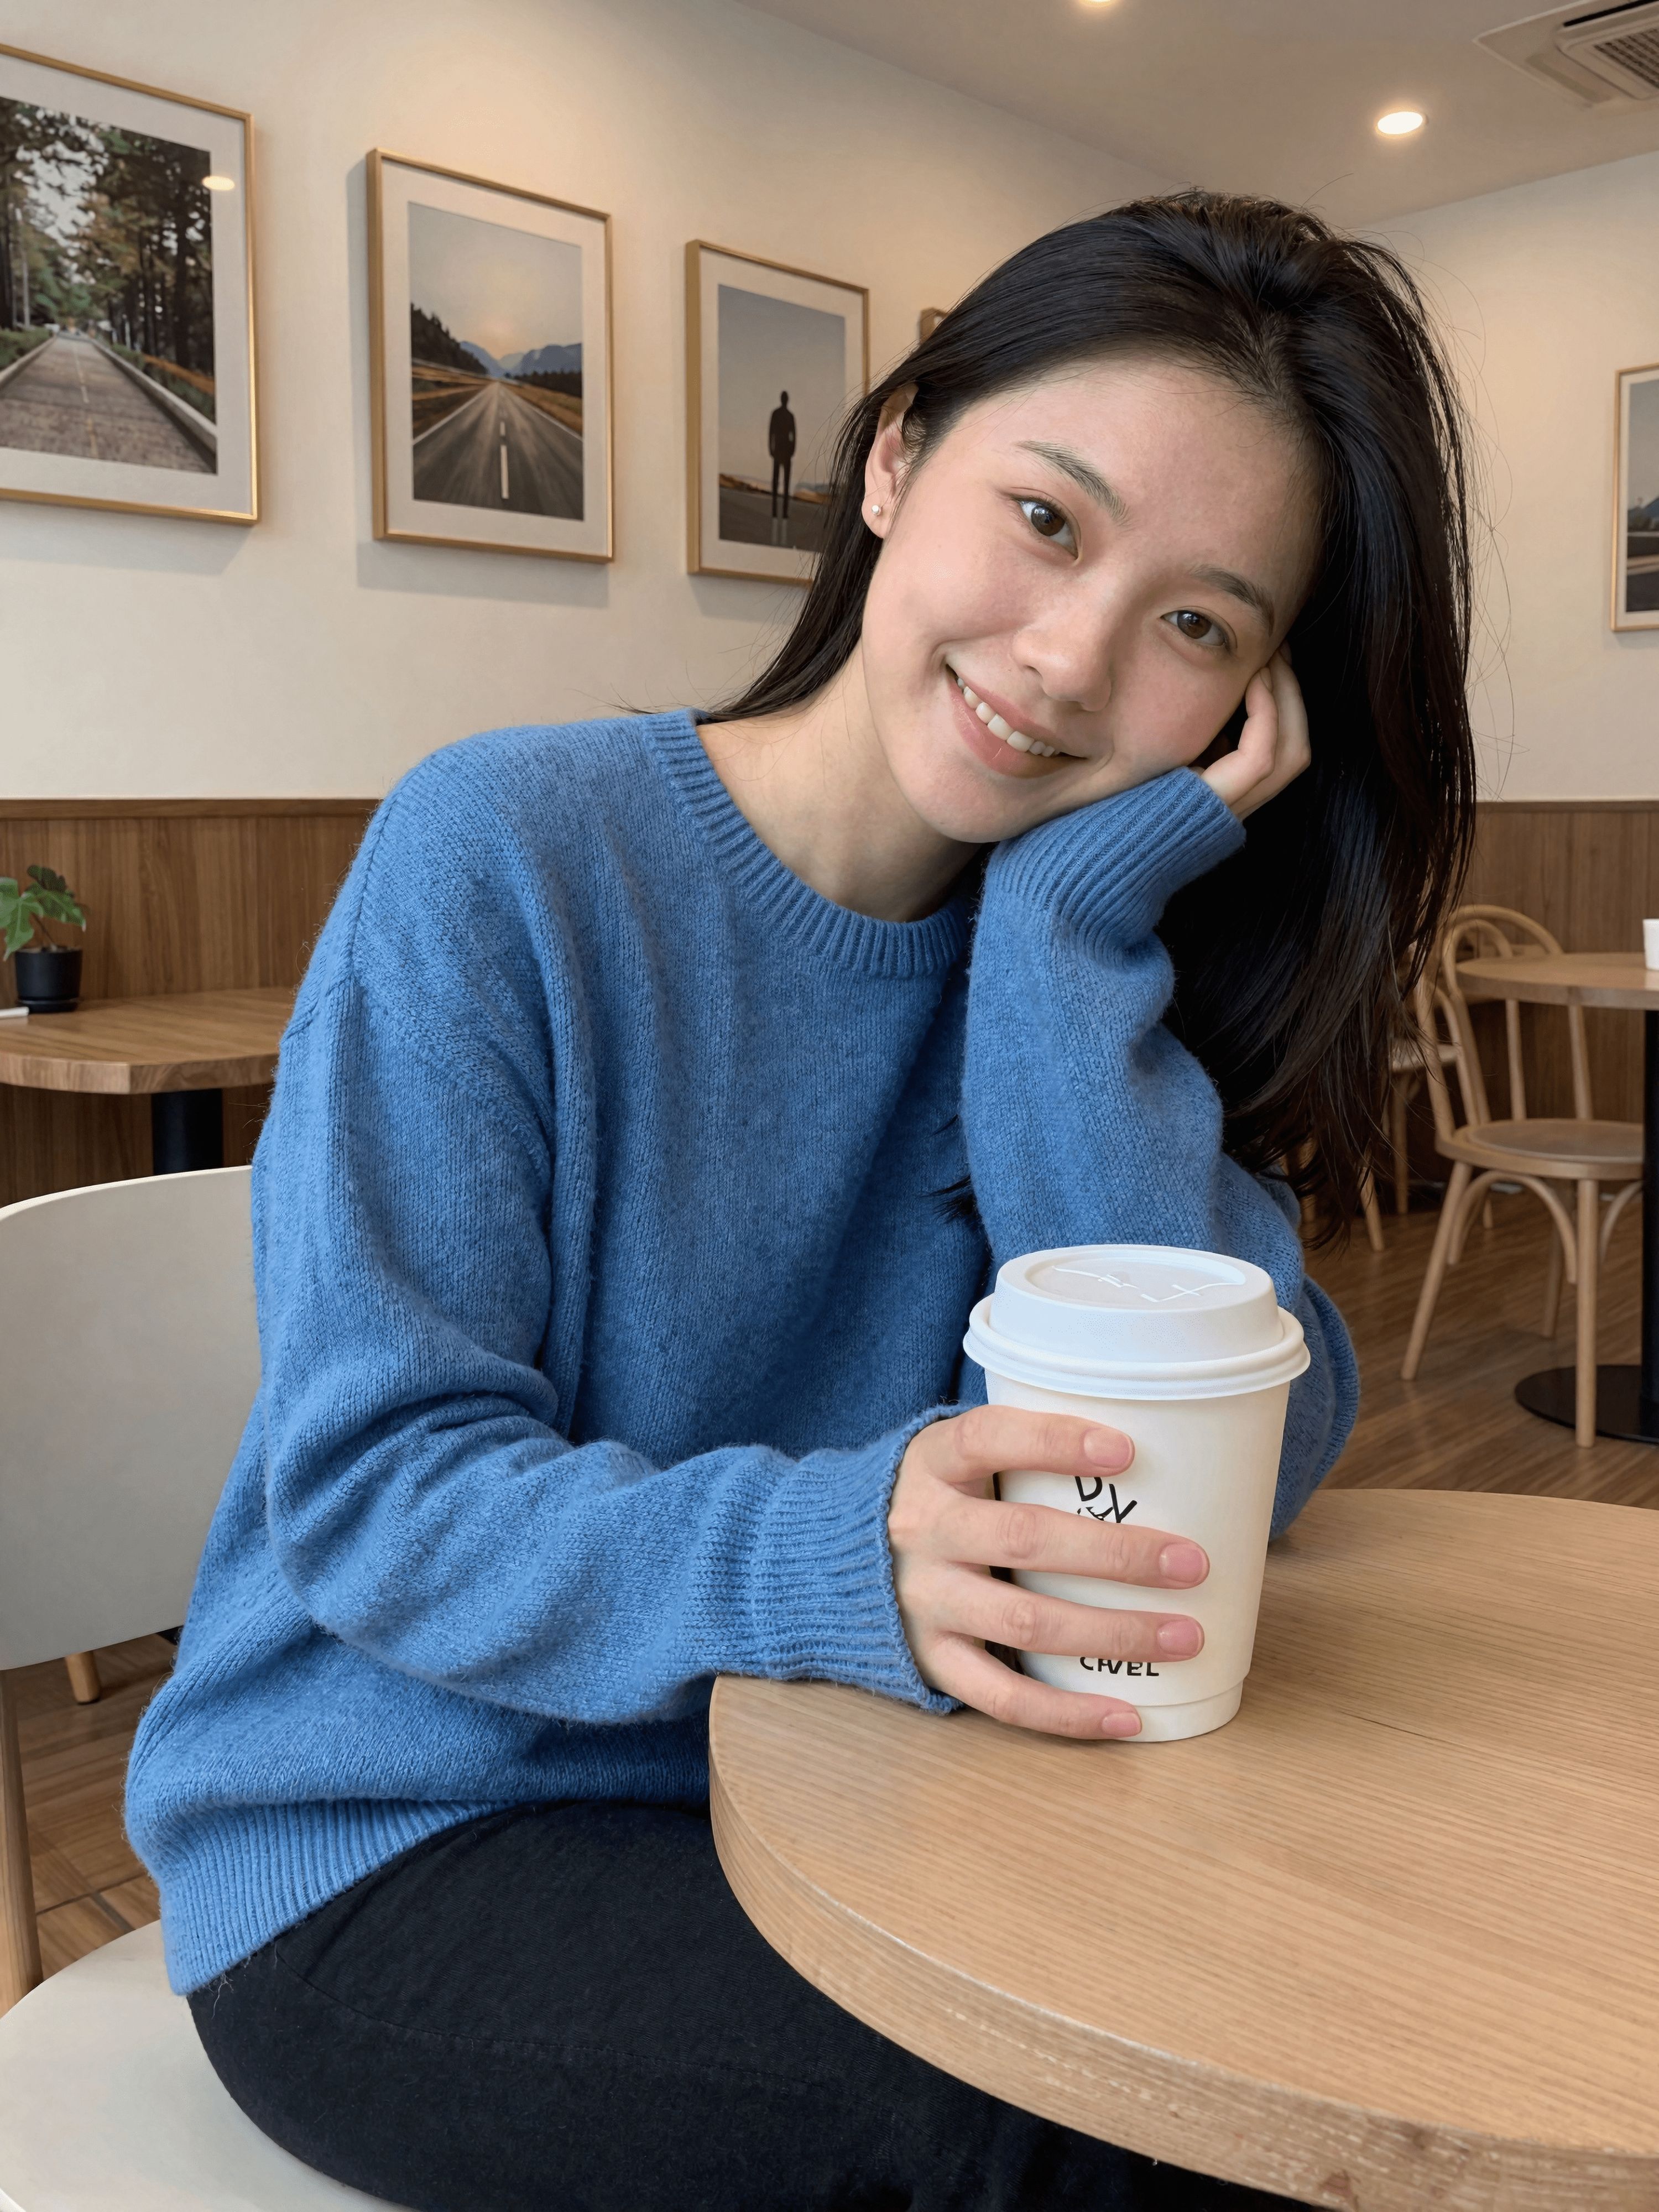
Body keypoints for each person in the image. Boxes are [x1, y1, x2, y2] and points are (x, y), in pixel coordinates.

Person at [127, 191, 1475, 2211]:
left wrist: (1056, 932)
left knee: (1331, 2028)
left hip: (851, 1816)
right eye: (1046, 517)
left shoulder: (1079, 967)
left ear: (1248, 706)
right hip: (395, 1837)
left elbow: (1243, 1456)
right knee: (1114, 2131)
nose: (1068, 656)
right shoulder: (505, 852)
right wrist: (850, 1549)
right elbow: (378, 1497)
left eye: (1195, 623)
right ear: (896, 451)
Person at [769, 385, 796, 528]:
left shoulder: (783, 415)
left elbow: (793, 436)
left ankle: (781, 512)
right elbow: (772, 433)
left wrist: (791, 451)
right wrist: (771, 450)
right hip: (782, 452)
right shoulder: (782, 415)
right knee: (778, 484)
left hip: (783, 453)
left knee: (783, 484)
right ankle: (776, 511)